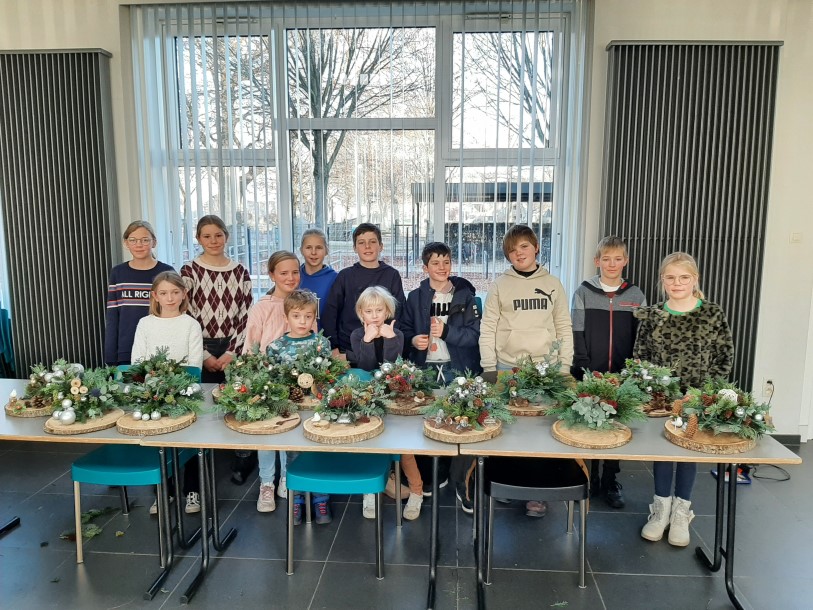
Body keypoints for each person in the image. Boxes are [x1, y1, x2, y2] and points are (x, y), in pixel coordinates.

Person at [634, 252, 733, 547]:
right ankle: (660, 510)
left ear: (695, 279)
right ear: (662, 280)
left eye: (684, 277)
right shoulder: (653, 315)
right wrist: (654, 390)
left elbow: (724, 356)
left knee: (688, 452)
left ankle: (681, 513)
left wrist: (705, 394)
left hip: (696, 399)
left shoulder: (712, 313)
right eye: (671, 277)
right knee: (663, 452)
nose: (677, 283)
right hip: (662, 400)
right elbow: (641, 357)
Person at [479, 224, 574, 517]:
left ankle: (537, 492)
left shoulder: (553, 284)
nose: (518, 253)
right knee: (508, 430)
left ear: (536, 248)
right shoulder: (499, 285)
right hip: (508, 367)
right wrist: (489, 367)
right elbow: (488, 327)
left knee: (540, 433)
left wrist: (565, 366)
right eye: (512, 249)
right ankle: (508, 484)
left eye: (523, 246)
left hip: (546, 369)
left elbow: (564, 327)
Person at [401, 241, 481, 513]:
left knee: (461, 422)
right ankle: (435, 473)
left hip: (456, 368)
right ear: (425, 268)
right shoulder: (415, 297)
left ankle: (461, 480)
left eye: (446, 262)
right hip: (426, 368)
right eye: (435, 263)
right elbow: (404, 329)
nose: (442, 267)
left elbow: (474, 336)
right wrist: (414, 340)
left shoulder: (465, 297)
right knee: (428, 421)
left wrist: (446, 332)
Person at [571, 236, 646, 509]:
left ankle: (611, 479)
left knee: (617, 425)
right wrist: (583, 364)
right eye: (606, 259)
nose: (612, 264)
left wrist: (634, 368)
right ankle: (589, 477)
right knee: (590, 424)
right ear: (597, 261)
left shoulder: (635, 295)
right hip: (591, 371)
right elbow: (577, 329)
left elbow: (642, 336)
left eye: (617, 259)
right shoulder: (583, 291)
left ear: (626, 261)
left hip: (623, 374)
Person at [181, 215, 254, 485]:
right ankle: (198, 465)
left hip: (233, 348)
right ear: (198, 239)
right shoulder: (189, 271)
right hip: (200, 347)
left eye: (219, 235)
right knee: (201, 408)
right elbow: (185, 313)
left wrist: (231, 353)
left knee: (240, 404)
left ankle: (243, 458)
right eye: (207, 236)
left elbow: (246, 316)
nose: (213, 241)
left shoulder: (240, 272)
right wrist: (204, 355)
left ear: (227, 237)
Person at [244, 251, 315, 513]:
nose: (290, 277)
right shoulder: (262, 307)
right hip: (268, 382)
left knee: (291, 431)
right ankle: (266, 483)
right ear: (272, 274)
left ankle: (287, 476)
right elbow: (251, 346)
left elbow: (313, 338)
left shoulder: (306, 303)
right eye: (283, 273)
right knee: (268, 431)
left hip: (299, 385)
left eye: (295, 272)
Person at [129, 271, 203, 515]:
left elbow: (195, 365)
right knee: (157, 443)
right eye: (163, 293)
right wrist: (153, 384)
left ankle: (192, 490)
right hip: (153, 393)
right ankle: (164, 491)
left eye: (174, 292)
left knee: (190, 442)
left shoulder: (191, 324)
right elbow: (138, 361)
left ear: (184, 294)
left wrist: (177, 386)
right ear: (155, 296)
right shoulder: (145, 324)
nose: (170, 298)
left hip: (185, 391)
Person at [350, 286, 424, 521]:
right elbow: (366, 366)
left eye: (379, 310)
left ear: (387, 311)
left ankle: (417, 491)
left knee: (404, 449)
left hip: (395, 398)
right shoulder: (356, 335)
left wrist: (389, 339)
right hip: (368, 399)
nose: (374, 316)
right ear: (361, 313)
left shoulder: (397, 334)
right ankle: (370, 491)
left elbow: (391, 367)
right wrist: (367, 340)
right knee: (370, 445)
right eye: (369, 311)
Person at [265, 290, 332, 525]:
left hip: (316, 411)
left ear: (314, 317)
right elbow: (273, 381)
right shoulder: (276, 347)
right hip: (290, 411)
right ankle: (297, 500)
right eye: (296, 316)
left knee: (318, 452)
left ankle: (321, 498)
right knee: (292, 454)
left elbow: (327, 375)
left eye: (308, 316)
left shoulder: (321, 344)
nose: (302, 321)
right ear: (286, 317)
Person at [322, 223, 406, 363]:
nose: (367, 246)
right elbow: (331, 311)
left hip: (384, 349)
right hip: (348, 349)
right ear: (354, 248)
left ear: (381, 246)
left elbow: (399, 312)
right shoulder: (345, 276)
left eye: (372, 242)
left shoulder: (392, 275)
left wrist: (391, 339)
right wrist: (334, 347)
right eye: (361, 243)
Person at [104, 221, 173, 365]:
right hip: (126, 350)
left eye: (145, 240)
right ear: (126, 243)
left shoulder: (166, 272)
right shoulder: (118, 273)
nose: (139, 244)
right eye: (133, 240)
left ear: (154, 242)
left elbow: (173, 315)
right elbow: (112, 318)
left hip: (160, 351)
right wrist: (110, 355)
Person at [298, 228, 338, 330]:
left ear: (326, 251)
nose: (313, 252)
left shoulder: (335, 279)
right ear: (301, 250)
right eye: (308, 247)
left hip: (325, 337)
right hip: (296, 337)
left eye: (319, 248)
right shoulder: (294, 276)